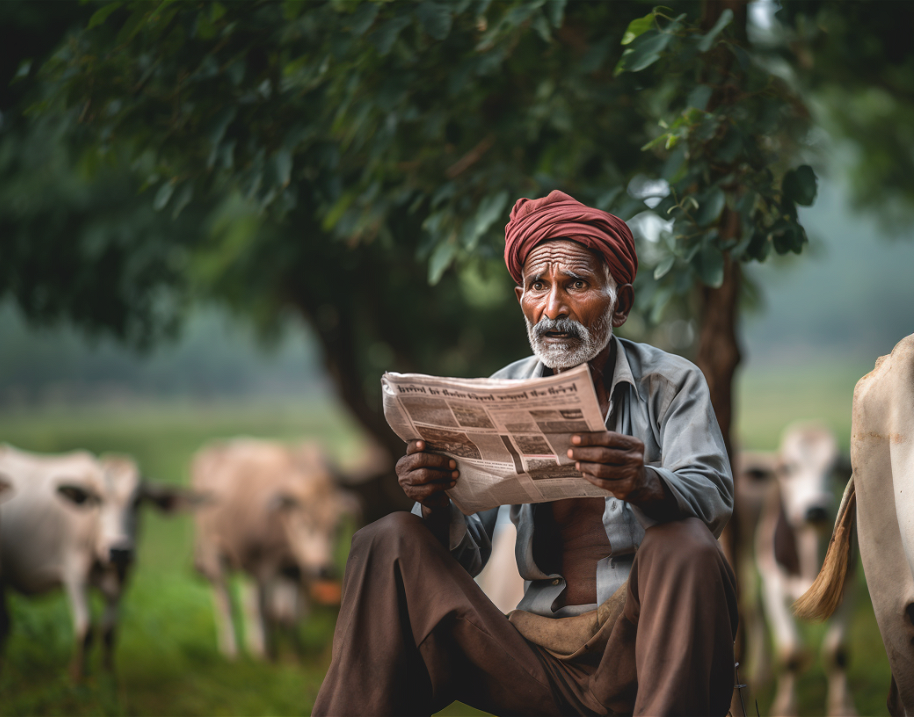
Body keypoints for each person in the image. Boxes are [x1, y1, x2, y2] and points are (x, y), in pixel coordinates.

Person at [312, 190, 736, 717]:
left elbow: (714, 501)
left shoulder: (669, 384)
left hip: (644, 645)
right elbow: (466, 558)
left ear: (620, 303)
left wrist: (642, 483)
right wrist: (437, 498)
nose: (554, 308)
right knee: (387, 540)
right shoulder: (499, 390)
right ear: (522, 300)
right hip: (534, 661)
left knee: (686, 546)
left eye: (576, 284)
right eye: (539, 286)